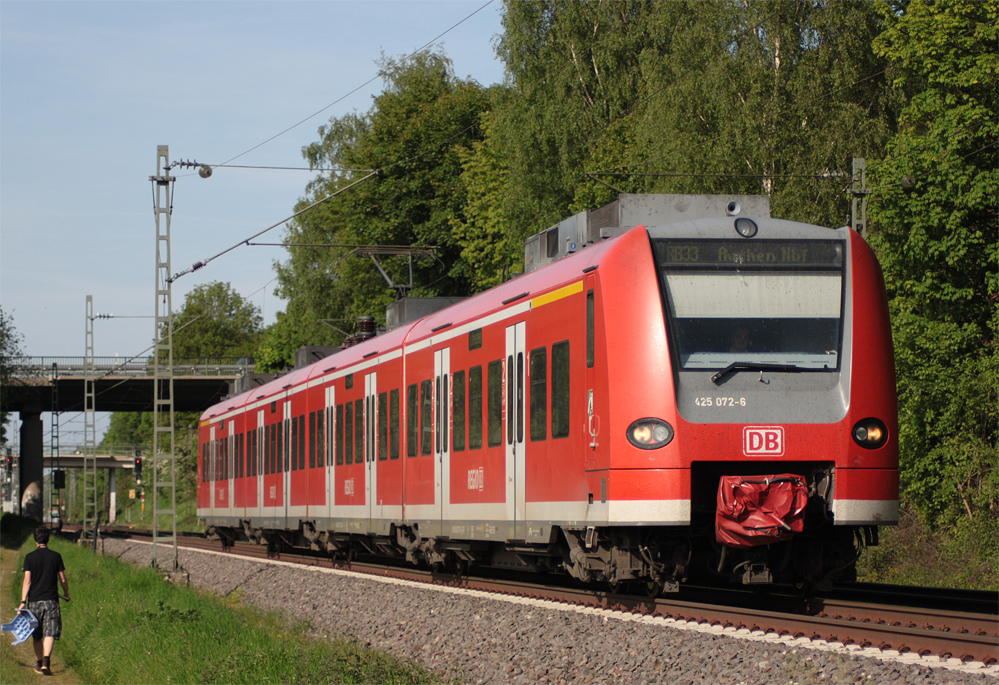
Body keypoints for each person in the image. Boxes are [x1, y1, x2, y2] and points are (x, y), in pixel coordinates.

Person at [18, 526, 70, 676]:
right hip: (52, 601)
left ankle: (40, 663)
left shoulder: (29, 557)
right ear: (48, 539)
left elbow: (27, 581)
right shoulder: (56, 556)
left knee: (37, 634)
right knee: (50, 632)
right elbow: (63, 578)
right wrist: (66, 593)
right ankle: (47, 660)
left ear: (35, 540)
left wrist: (23, 601)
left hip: (34, 602)